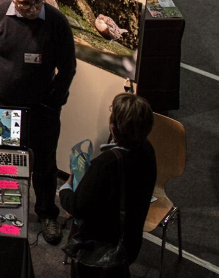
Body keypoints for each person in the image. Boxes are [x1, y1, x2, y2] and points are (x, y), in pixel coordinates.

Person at [0, 0, 76, 245]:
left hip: (41, 111)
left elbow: (68, 67)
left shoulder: (57, 23)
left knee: (45, 165)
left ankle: (46, 214)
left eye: (38, 1)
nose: (33, 8)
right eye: (26, 2)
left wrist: (56, 101)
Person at [58, 93, 157, 278]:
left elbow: (78, 207)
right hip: (129, 241)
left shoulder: (106, 164)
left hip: (100, 250)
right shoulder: (147, 150)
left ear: (114, 127)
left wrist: (66, 187)